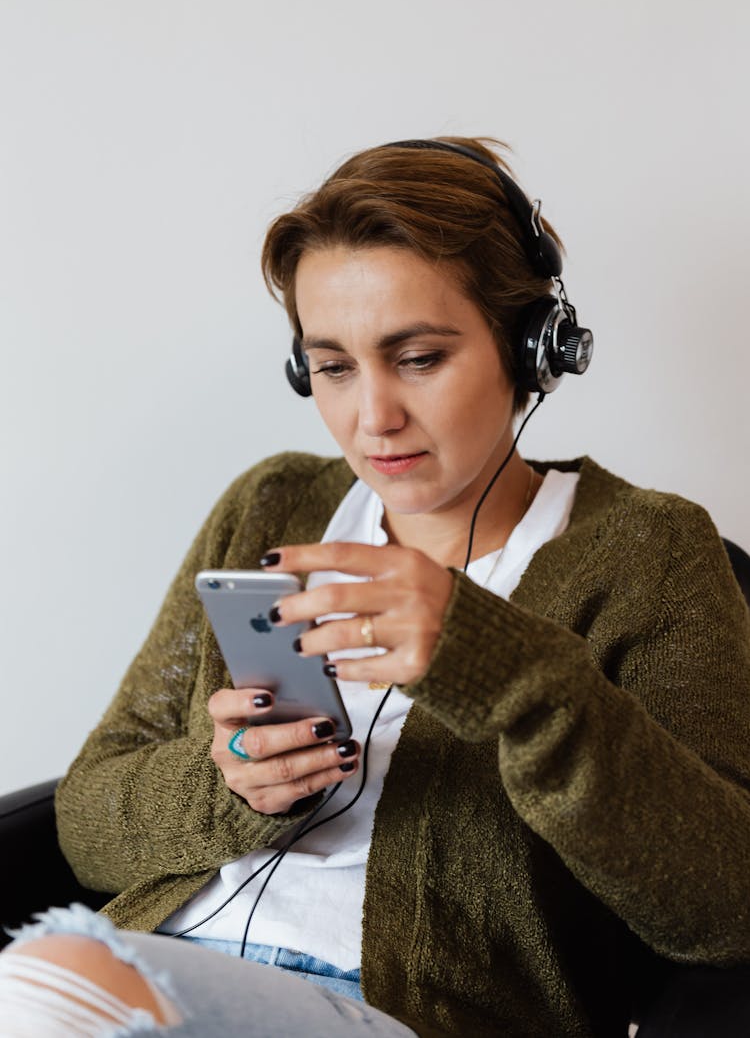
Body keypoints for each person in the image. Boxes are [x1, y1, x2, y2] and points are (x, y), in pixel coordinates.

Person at [2, 137, 750, 1037]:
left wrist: (504, 670)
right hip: (167, 969)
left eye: (420, 357)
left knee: (47, 986)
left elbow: (724, 906)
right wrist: (229, 786)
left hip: (407, 1014)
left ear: (529, 349)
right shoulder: (274, 502)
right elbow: (82, 823)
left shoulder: (647, 551)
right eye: (334, 366)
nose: (373, 416)